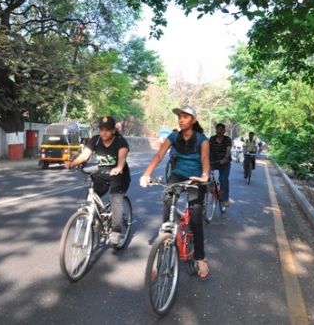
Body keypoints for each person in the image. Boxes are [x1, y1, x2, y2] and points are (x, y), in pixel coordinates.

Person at [140, 105, 210, 280]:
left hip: (196, 177)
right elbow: (159, 155)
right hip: (178, 174)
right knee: (168, 204)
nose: (181, 119)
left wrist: (204, 176)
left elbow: (204, 159)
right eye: (180, 116)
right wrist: (146, 174)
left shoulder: (202, 139)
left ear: (193, 120)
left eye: (186, 116)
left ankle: (200, 258)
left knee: (195, 217)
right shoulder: (173, 137)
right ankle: (164, 248)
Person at [64, 116, 131, 246]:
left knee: (116, 201)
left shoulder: (120, 141)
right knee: (91, 198)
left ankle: (115, 231)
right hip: (102, 173)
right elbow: (84, 156)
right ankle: (95, 217)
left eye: (107, 129)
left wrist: (118, 168)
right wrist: (72, 164)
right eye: (101, 129)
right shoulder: (95, 140)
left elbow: (122, 156)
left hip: (119, 176)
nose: (104, 132)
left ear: (113, 131)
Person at [209, 123, 232, 207]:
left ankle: (225, 199)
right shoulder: (212, 139)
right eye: (218, 129)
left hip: (224, 162)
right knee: (205, 174)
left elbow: (228, 149)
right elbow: (208, 149)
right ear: (216, 130)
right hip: (213, 161)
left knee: (224, 179)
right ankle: (210, 187)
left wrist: (225, 158)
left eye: (221, 129)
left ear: (224, 131)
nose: (219, 131)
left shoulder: (227, 139)